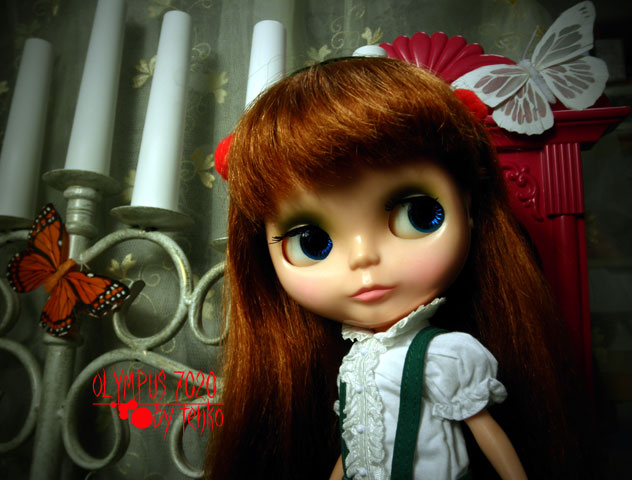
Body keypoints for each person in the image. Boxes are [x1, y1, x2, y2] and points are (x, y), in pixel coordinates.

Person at [206, 57, 589, 479]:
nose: (362, 258)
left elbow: (485, 430)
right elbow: (358, 443)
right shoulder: (351, 365)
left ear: (467, 206)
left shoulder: (446, 354)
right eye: (311, 242)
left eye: (418, 214)